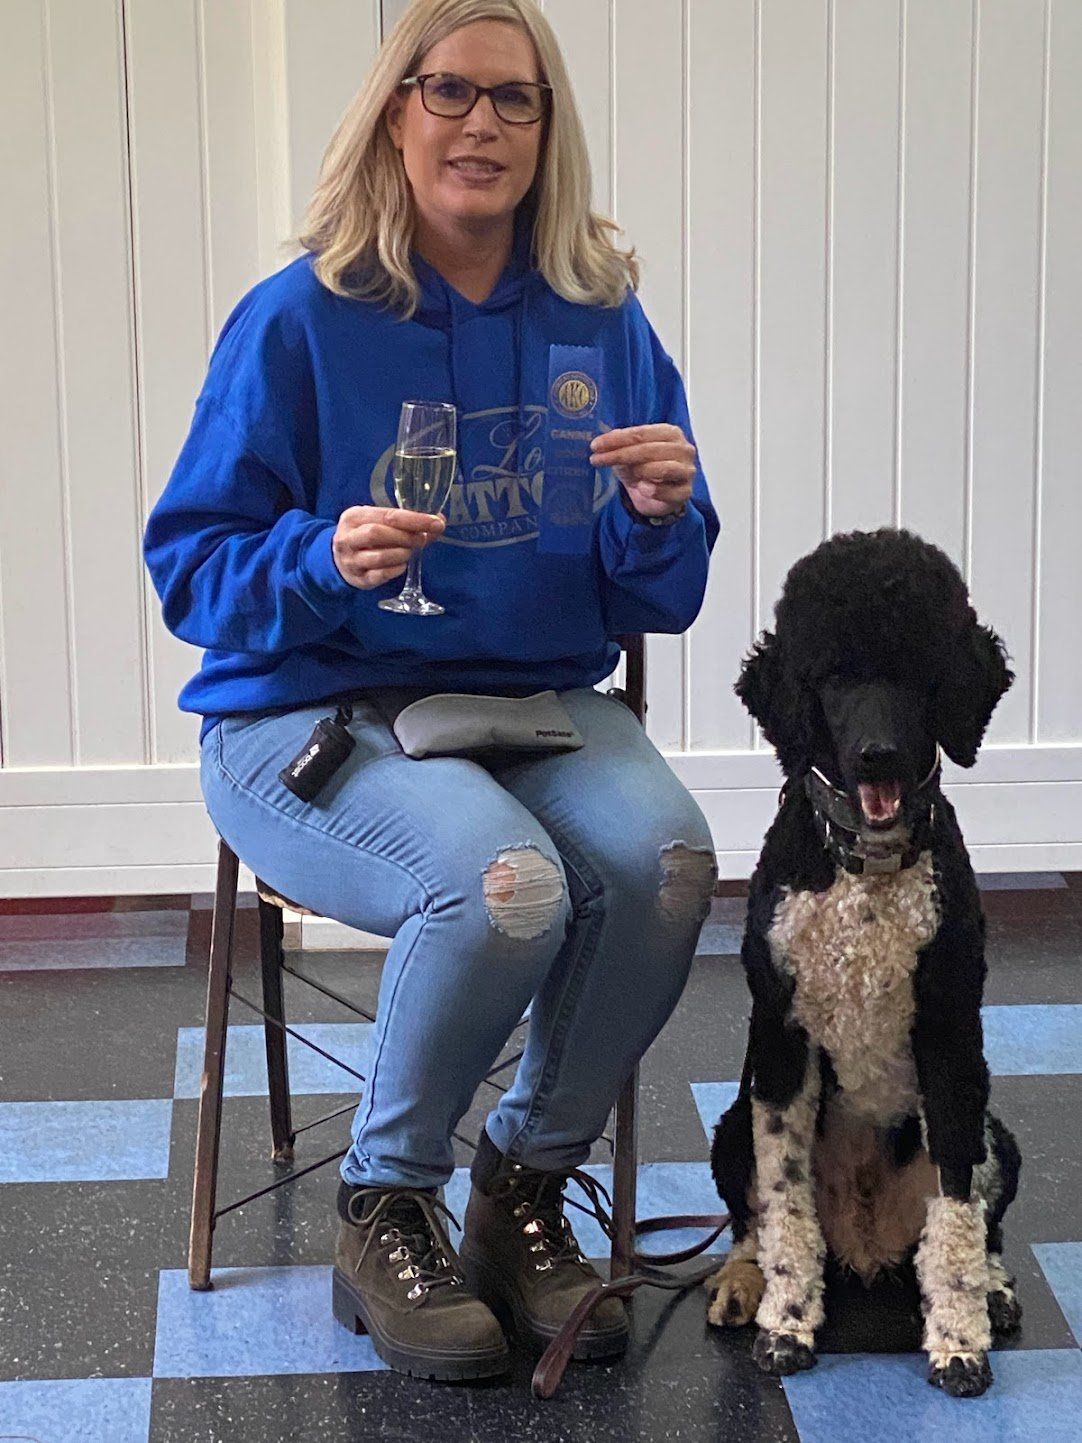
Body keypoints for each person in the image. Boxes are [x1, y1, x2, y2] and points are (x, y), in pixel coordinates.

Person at [144, 0, 719, 1383]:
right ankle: (386, 1204)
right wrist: (317, 558)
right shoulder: (298, 318)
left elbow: (660, 595)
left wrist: (660, 513)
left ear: (547, 125)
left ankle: (521, 1189)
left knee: (667, 865)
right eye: (450, 91)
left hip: (531, 706)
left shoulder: (599, 317)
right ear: (395, 109)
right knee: (503, 885)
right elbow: (190, 572)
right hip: (305, 714)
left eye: (514, 98)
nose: (482, 124)